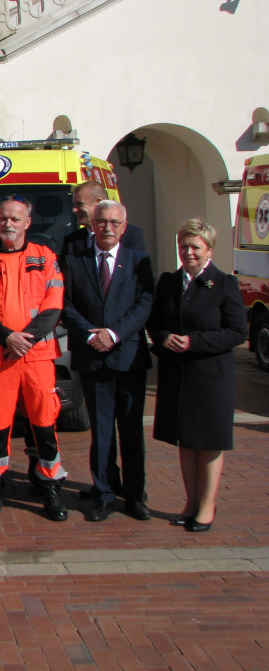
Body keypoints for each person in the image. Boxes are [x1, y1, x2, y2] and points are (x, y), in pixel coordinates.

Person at [0, 196, 68, 522]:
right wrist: (7, 337)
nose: (9, 223)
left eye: (16, 218)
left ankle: (51, 485)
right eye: (4, 218)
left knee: (43, 423)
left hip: (37, 357)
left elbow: (53, 305)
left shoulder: (46, 257)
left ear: (28, 223)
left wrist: (23, 340)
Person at [147, 219, 246, 533]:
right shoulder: (168, 282)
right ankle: (189, 502)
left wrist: (196, 342)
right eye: (183, 246)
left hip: (211, 375)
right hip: (178, 373)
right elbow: (155, 322)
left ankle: (206, 505)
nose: (188, 252)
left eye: (195, 247)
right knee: (185, 440)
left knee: (209, 440)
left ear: (209, 250)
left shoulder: (224, 283)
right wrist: (164, 338)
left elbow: (237, 332)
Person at [62, 201, 154, 522]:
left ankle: (134, 494)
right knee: (101, 432)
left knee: (131, 431)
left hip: (128, 357)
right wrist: (91, 335)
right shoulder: (75, 262)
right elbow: (67, 304)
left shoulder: (139, 261)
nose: (108, 228)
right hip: (92, 357)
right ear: (92, 225)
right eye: (102, 222)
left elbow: (144, 303)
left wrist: (113, 334)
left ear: (124, 227)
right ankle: (103, 493)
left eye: (115, 223)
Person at [61, 181, 145, 258]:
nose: (74, 210)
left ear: (98, 203)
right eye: (74, 205)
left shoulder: (131, 236)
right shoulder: (71, 242)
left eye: (80, 204)